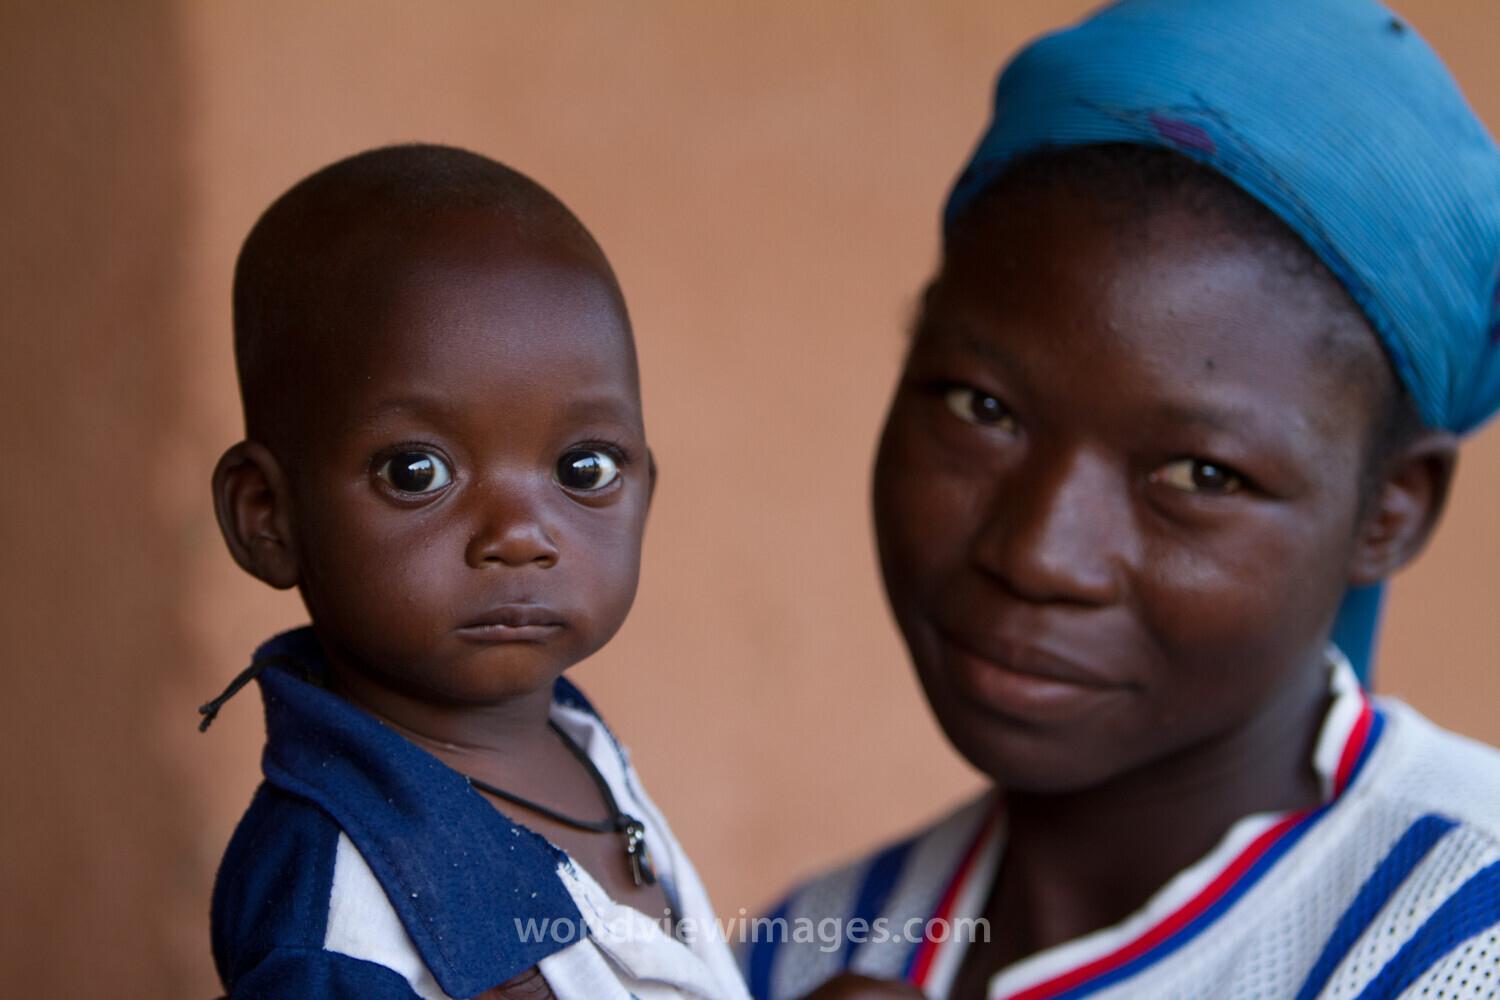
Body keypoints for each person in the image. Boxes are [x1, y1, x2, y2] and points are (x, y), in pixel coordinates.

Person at [746, 1, 1500, 998]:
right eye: (981, 408)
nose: (1038, 553)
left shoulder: (1465, 931)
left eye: (1200, 475)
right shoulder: (801, 948)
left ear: (1392, 508)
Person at [202, 144, 750, 1000]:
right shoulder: (340, 920)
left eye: (584, 469)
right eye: (416, 472)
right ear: (267, 514)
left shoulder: (571, 740)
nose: (520, 536)